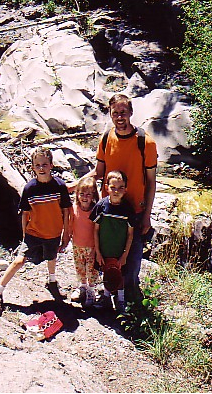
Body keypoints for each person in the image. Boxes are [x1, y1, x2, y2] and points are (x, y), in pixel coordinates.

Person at [68, 93, 157, 303]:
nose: (119, 117)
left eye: (123, 113)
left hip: (134, 212)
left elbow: (151, 182)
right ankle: (105, 294)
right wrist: (74, 185)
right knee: (105, 257)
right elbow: (98, 172)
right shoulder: (107, 138)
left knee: (131, 260)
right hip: (108, 211)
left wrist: (147, 216)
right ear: (109, 114)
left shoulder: (146, 142)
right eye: (115, 113)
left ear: (131, 113)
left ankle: (130, 300)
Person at [0, 146, 72, 314]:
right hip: (33, 232)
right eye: (37, 165)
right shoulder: (30, 188)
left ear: (51, 165)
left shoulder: (59, 186)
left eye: (44, 164)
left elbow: (66, 211)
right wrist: (24, 234)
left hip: (54, 232)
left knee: (52, 256)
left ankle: (52, 281)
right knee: (19, 261)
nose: (41, 168)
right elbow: (25, 213)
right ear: (33, 167)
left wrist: (66, 234)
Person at [89, 170, 135, 313]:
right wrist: (97, 251)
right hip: (104, 249)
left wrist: (125, 255)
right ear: (106, 187)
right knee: (106, 273)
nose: (116, 191)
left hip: (119, 250)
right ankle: (106, 298)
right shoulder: (102, 206)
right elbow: (95, 230)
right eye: (113, 187)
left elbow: (130, 234)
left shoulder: (127, 209)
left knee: (119, 273)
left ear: (126, 189)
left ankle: (120, 300)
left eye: (121, 188)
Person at [69, 176, 100, 307]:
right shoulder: (74, 208)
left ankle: (91, 290)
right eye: (81, 194)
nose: (84, 197)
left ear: (93, 195)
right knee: (80, 267)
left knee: (91, 269)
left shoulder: (96, 210)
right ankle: (82, 286)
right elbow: (70, 224)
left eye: (88, 194)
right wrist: (67, 239)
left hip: (91, 246)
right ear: (77, 194)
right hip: (77, 245)